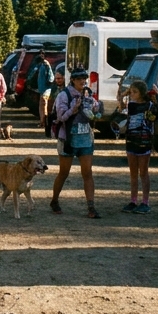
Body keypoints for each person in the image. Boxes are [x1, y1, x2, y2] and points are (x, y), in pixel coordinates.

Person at [50, 70, 100, 218]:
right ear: (72, 80)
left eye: (84, 79)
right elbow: (61, 117)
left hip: (85, 138)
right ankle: (54, 200)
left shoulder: (87, 93)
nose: (82, 81)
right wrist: (74, 109)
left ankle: (91, 207)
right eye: (79, 79)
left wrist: (96, 108)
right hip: (68, 139)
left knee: (87, 173)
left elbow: (96, 108)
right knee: (64, 173)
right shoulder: (64, 95)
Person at [118, 80, 157, 214]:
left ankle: (145, 201)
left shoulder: (150, 105)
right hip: (131, 141)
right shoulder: (131, 105)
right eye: (132, 92)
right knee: (133, 173)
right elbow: (120, 108)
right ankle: (133, 200)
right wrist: (123, 94)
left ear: (142, 93)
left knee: (143, 172)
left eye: (135, 92)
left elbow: (155, 116)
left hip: (144, 141)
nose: (132, 94)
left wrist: (157, 98)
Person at [30, 56, 57, 137]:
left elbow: (50, 78)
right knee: (42, 106)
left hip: (45, 89)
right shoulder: (44, 65)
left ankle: (44, 122)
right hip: (43, 88)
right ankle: (42, 121)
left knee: (43, 105)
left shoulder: (45, 65)